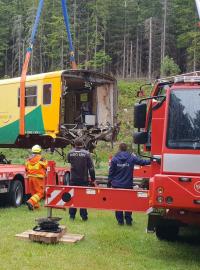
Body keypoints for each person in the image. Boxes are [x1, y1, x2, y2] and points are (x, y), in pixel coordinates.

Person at [108, 143, 151, 226]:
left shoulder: (114, 158)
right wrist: (153, 159)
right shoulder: (131, 157)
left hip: (116, 185)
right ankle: (128, 221)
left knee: (118, 204)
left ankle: (120, 222)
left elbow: (111, 173)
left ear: (119, 149)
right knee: (128, 203)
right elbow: (142, 162)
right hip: (127, 185)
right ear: (126, 148)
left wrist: (109, 184)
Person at [67, 138, 96, 221]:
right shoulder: (86, 154)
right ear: (82, 144)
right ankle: (84, 217)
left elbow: (69, 161)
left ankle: (72, 216)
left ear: (74, 144)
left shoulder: (70, 153)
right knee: (83, 198)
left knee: (73, 197)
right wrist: (93, 179)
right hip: (84, 179)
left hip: (73, 178)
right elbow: (91, 168)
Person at [25, 145, 48, 211]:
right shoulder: (41, 159)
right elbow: (46, 166)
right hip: (38, 178)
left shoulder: (29, 159)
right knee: (40, 192)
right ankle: (31, 202)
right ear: (40, 151)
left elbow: (26, 168)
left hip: (30, 178)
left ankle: (35, 206)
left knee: (34, 193)